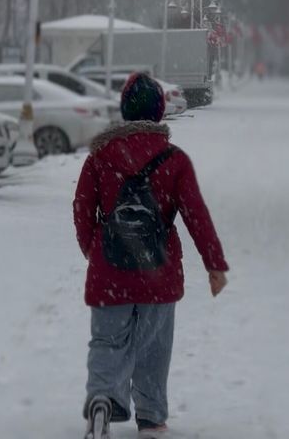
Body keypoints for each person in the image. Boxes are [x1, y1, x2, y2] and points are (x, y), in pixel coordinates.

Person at [73, 72, 229, 438]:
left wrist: (94, 251)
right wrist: (213, 264)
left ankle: (101, 400)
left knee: (107, 342)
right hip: (158, 272)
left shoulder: (99, 157)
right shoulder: (174, 160)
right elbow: (196, 215)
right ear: (159, 113)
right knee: (154, 348)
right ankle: (151, 416)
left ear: (125, 111)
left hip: (109, 270)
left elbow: (83, 209)